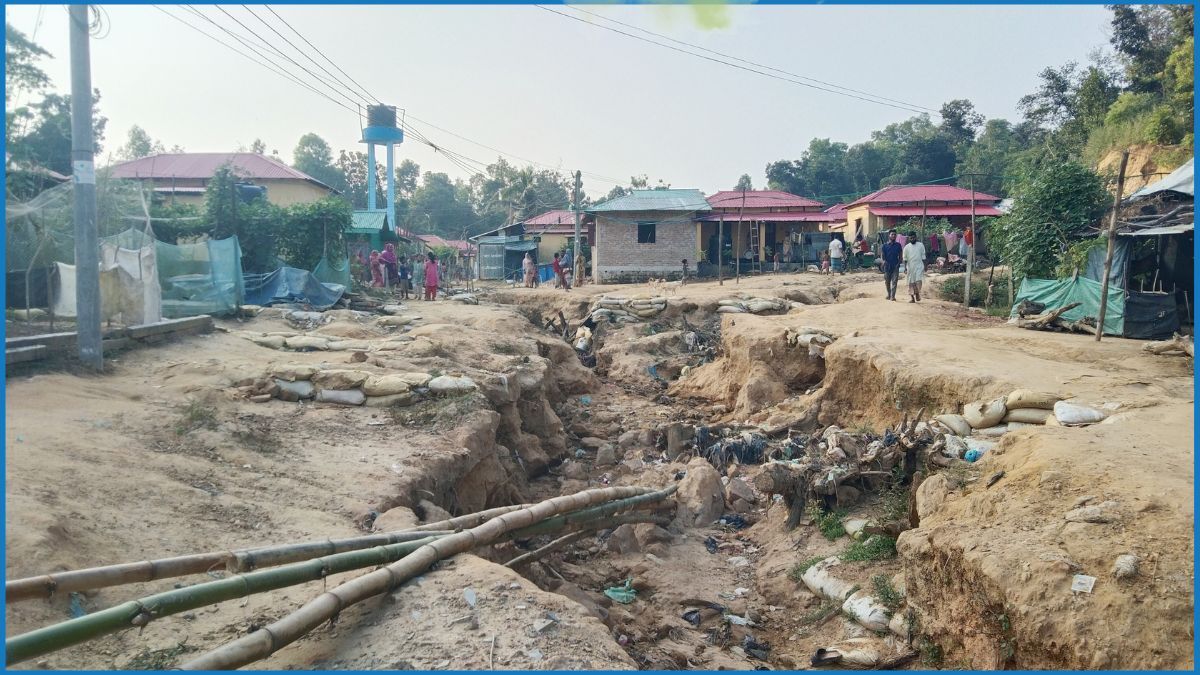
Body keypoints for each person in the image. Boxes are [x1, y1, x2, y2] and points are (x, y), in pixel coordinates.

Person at [902, 231, 927, 302]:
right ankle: (912, 298)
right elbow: (905, 258)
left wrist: (925, 266)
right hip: (910, 267)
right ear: (909, 239)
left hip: (919, 266)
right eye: (911, 238)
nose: (912, 239)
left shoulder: (921, 245)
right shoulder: (906, 247)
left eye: (913, 238)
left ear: (916, 237)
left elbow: (923, 256)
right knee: (911, 282)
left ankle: (917, 293)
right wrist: (905, 268)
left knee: (918, 281)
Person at [881, 230, 902, 301]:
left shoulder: (898, 245)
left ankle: (893, 296)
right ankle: (889, 294)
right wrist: (883, 262)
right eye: (892, 234)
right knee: (887, 282)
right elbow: (883, 256)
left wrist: (899, 263)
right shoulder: (884, 246)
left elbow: (900, 256)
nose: (893, 236)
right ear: (889, 235)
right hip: (887, 266)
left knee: (894, 281)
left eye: (895, 235)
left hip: (895, 266)